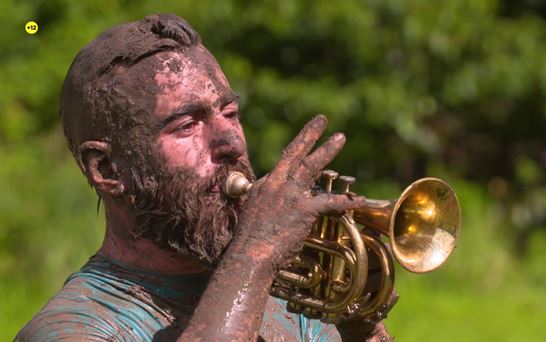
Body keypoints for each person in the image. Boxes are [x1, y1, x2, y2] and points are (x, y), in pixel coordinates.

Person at [16, 13, 394, 341]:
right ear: (107, 170)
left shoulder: (290, 303)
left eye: (230, 113)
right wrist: (256, 252)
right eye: (187, 125)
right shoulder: (70, 328)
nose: (231, 140)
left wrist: (361, 329)